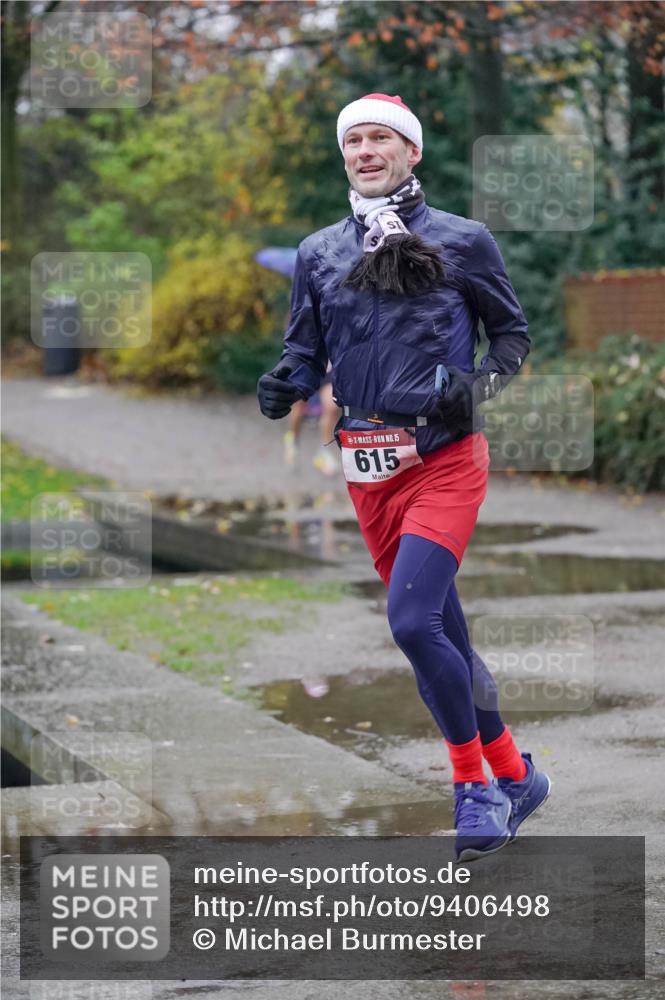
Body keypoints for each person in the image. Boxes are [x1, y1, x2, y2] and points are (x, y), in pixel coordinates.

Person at [257, 93, 551, 861]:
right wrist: (284, 382)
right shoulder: (320, 250)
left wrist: (474, 387)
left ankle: (471, 789)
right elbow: (304, 348)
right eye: (351, 139)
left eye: (379, 137)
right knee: (441, 633)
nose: (364, 149)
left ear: (410, 151)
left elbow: (512, 336)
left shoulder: (463, 239)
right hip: (368, 466)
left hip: (444, 458)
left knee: (411, 623)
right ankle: (518, 776)